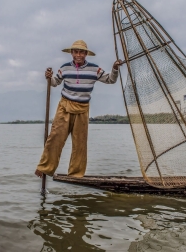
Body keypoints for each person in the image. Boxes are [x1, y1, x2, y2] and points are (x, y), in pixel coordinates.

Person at [35, 40, 122, 178]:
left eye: (81, 52)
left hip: (82, 109)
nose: (78, 55)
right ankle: (45, 167)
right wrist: (48, 78)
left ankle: (75, 174)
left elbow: (110, 80)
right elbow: (54, 83)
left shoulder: (94, 69)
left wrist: (115, 68)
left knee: (80, 143)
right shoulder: (64, 68)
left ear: (86, 54)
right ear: (72, 53)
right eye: (76, 52)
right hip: (64, 107)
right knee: (55, 138)